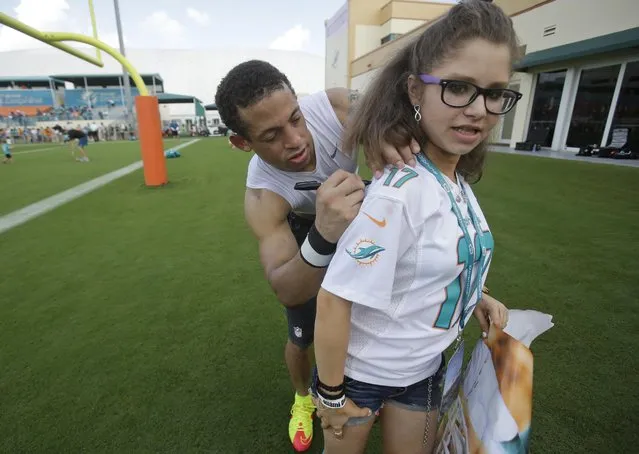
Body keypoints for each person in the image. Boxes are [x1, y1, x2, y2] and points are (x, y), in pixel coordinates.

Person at [310, 1, 522, 453]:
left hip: (423, 371)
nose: (478, 109)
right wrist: (330, 395)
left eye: (494, 93)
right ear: (414, 90)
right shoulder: (398, 192)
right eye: (458, 87)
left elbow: (426, 259)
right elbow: (333, 299)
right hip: (358, 376)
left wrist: (473, 294)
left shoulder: (455, 178)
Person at [214, 60, 417, 452]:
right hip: (308, 236)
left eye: (295, 118)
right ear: (243, 143)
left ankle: (378, 389)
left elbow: (391, 106)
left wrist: (386, 128)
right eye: (271, 135)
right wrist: (323, 233)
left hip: (354, 217)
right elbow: (286, 287)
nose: (295, 140)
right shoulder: (262, 193)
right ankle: (302, 399)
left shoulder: (334, 107)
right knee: (302, 333)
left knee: (369, 314)